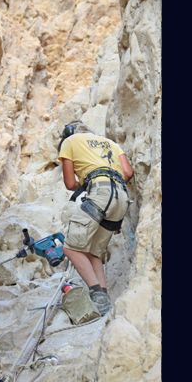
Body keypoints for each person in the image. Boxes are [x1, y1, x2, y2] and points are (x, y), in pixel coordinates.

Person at [57, 120, 133, 315]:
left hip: (99, 193)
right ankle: (104, 298)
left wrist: (89, 184)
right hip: (122, 197)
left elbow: (69, 183)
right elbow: (128, 172)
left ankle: (97, 295)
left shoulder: (70, 141)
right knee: (93, 252)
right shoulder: (111, 144)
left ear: (69, 132)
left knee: (70, 247)